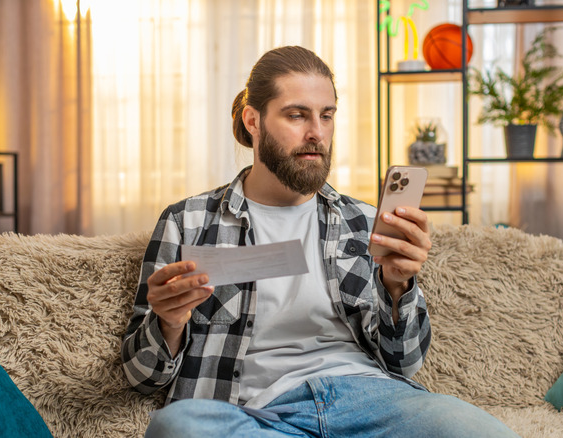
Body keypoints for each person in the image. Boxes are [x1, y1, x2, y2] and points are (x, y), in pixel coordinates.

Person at [122, 45, 519, 438]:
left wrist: (399, 288)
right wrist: (169, 322)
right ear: (253, 120)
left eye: (326, 116)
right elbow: (143, 376)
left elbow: (405, 363)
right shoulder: (187, 221)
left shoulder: (364, 222)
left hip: (370, 402)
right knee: (176, 426)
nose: (316, 133)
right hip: (258, 414)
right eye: (297, 115)